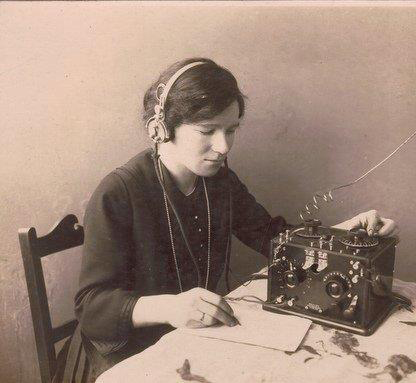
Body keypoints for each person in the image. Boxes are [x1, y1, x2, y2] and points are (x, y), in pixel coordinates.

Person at [55, 58, 396, 383]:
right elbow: (92, 308)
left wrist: (338, 236)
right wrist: (172, 307)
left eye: (231, 130)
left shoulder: (219, 181)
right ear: (162, 128)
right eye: (208, 130)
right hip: (125, 353)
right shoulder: (119, 191)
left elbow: (270, 237)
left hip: (191, 338)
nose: (223, 146)